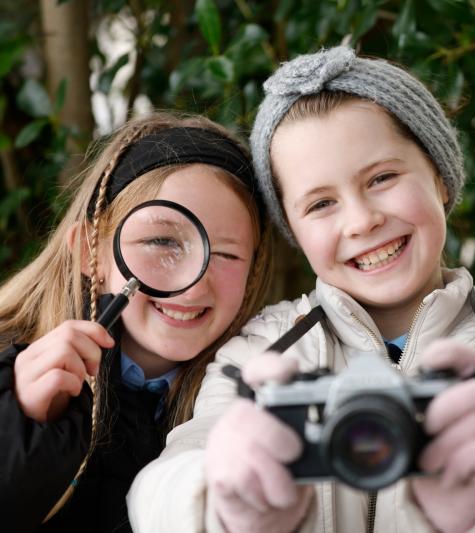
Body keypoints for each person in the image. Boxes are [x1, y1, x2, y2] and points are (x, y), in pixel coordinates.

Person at [127, 46, 475, 533]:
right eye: (320, 204)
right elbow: (162, 488)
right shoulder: (258, 355)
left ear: (440, 178)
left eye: (382, 178)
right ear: (293, 230)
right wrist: (224, 499)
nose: (362, 220)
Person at [0, 113, 273, 532]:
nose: (192, 285)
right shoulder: (9, 370)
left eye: (225, 255)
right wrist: (18, 433)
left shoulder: (250, 399)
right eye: (161, 241)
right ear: (89, 251)